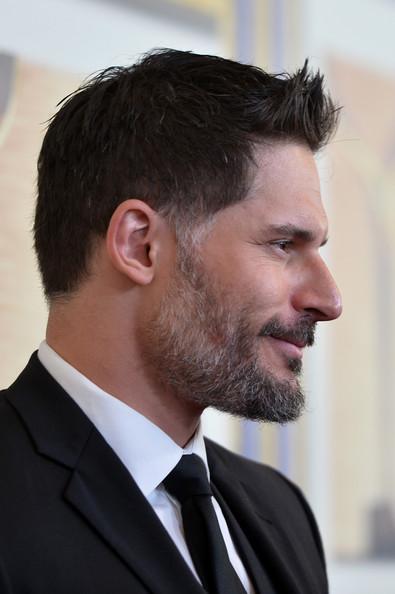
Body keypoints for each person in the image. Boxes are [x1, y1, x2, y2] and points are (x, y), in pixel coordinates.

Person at [0, 49, 342, 594]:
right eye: (283, 244)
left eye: (317, 249)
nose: (329, 299)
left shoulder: (284, 511)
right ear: (141, 246)